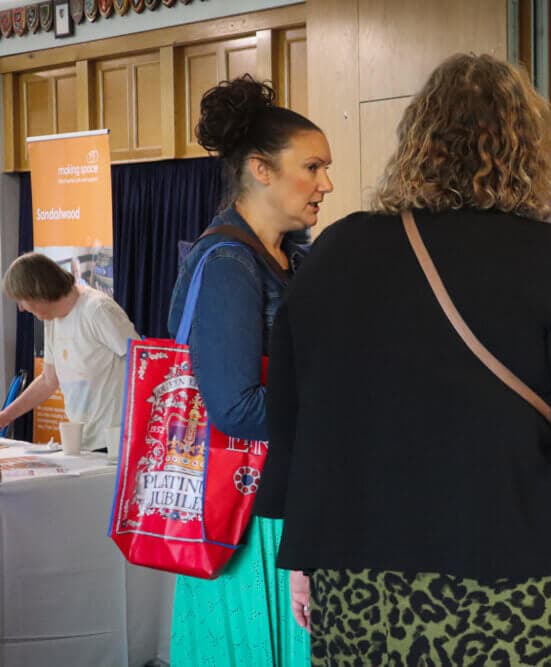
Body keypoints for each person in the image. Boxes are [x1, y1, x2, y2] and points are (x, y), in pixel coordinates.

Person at [254, 53, 551, 665]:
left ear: (416, 141)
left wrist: (304, 551)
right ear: (528, 148)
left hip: (360, 576)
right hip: (517, 571)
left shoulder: (336, 254)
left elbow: (296, 418)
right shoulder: (544, 258)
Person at [165, 74, 332, 666]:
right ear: (261, 169)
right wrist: (336, 414)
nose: (325, 184)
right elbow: (234, 407)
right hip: (243, 515)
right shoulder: (230, 264)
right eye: (311, 167)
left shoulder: (288, 257)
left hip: (273, 501)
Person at [0, 252, 138, 450]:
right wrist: (5, 416)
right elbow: (48, 380)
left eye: (21, 300)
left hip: (115, 441)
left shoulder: (97, 309)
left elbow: (143, 362)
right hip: (80, 441)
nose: (21, 308)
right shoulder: (51, 320)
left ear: (37, 292)